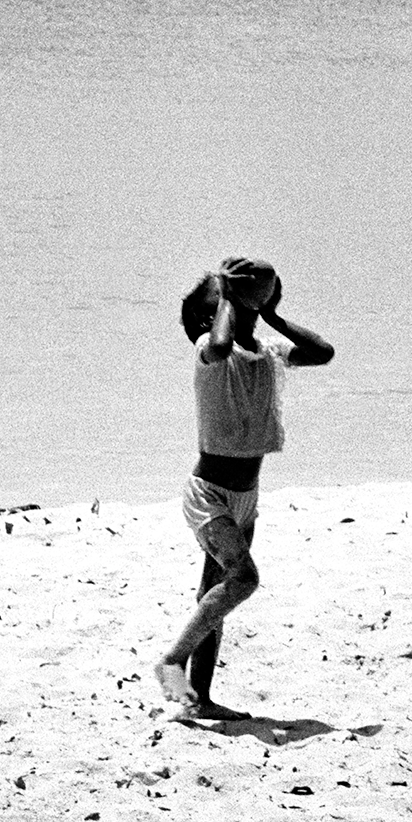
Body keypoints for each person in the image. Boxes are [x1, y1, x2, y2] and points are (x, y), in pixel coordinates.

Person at [155, 257, 334, 720]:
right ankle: (171, 659)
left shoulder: (267, 353)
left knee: (213, 598)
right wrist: (232, 303)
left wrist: (272, 313)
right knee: (244, 580)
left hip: (245, 498)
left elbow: (322, 352)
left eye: (239, 297)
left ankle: (201, 699)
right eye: (224, 299)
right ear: (208, 317)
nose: (237, 302)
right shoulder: (208, 349)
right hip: (209, 493)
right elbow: (219, 342)